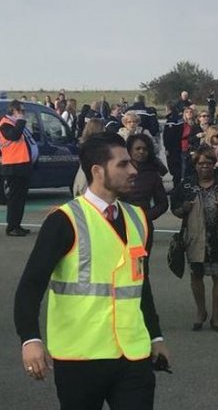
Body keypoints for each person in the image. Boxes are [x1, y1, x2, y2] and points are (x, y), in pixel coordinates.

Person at [14, 132, 169, 409]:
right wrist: (30, 339)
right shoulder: (64, 221)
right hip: (80, 358)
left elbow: (140, 286)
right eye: (123, 165)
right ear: (97, 171)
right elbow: (30, 286)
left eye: (131, 163)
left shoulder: (139, 219)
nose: (133, 170)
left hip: (133, 355)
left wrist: (156, 337)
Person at [171, 146, 218, 332]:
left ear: (214, 165)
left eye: (209, 163)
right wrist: (183, 209)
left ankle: (216, 317)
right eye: (201, 163)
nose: (205, 167)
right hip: (195, 238)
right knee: (196, 276)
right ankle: (200, 311)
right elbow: (175, 208)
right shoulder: (187, 184)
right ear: (195, 165)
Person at [120, 134, 169, 256]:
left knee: (141, 267)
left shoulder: (153, 175)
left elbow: (163, 204)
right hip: (120, 225)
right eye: (138, 149)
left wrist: (145, 216)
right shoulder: (119, 172)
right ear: (129, 150)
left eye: (145, 149)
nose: (141, 152)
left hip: (143, 226)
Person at [0, 100, 38, 236]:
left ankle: (17, 224)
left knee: (20, 199)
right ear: (13, 111)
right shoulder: (5, 124)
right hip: (13, 167)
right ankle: (11, 227)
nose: (23, 113)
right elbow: (14, 136)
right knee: (15, 200)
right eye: (21, 111)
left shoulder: (15, 124)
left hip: (21, 166)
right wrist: (21, 121)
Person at [72, 118, 106, 197]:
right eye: (103, 128)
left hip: (81, 177)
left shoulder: (84, 143)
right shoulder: (94, 146)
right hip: (89, 179)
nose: (105, 130)